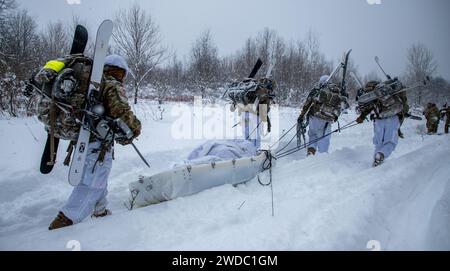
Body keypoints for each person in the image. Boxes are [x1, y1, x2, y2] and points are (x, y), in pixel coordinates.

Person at [35, 54, 142, 230]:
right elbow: (121, 111)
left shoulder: (92, 83)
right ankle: (66, 219)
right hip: (96, 140)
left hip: (84, 136)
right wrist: (135, 128)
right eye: (123, 74)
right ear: (119, 71)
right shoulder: (110, 83)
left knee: (98, 175)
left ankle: (100, 210)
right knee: (94, 181)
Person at [356, 80, 409, 167]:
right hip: (392, 119)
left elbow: (368, 107)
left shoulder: (373, 95)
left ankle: (376, 162)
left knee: (378, 142)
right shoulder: (389, 93)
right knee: (390, 142)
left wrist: (361, 117)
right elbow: (403, 107)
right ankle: (381, 155)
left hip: (378, 120)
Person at [298, 75, 347, 156]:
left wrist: (301, 116)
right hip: (327, 120)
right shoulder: (336, 92)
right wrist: (335, 116)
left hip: (314, 117)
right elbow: (341, 107)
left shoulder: (317, 90)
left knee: (312, 137)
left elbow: (307, 103)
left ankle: (310, 154)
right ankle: (322, 158)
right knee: (324, 139)